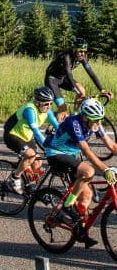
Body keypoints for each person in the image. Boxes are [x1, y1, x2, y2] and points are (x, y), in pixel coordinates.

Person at [44, 97, 117, 247]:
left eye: (100, 120)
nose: (98, 124)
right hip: (56, 153)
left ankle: (80, 231)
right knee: (88, 171)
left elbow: (112, 146)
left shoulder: (95, 124)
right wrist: (105, 169)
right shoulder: (74, 123)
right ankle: (67, 205)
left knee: (87, 194)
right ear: (85, 117)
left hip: (72, 155)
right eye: (95, 120)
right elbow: (86, 150)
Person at [3, 87, 59, 193]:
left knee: (38, 163)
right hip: (12, 135)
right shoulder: (30, 110)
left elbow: (57, 126)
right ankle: (14, 178)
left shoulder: (48, 111)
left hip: (26, 137)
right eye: (46, 104)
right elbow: (36, 132)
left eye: (51, 103)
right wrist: (48, 146)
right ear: (37, 103)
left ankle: (31, 186)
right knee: (30, 155)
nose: (49, 107)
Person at [45, 38, 113, 118]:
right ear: (74, 49)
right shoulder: (66, 57)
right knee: (63, 108)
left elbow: (91, 74)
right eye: (80, 51)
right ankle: (52, 120)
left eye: (84, 51)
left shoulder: (81, 57)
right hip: (52, 80)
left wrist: (102, 90)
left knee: (82, 91)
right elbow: (69, 74)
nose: (82, 54)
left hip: (63, 78)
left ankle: (75, 115)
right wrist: (76, 90)